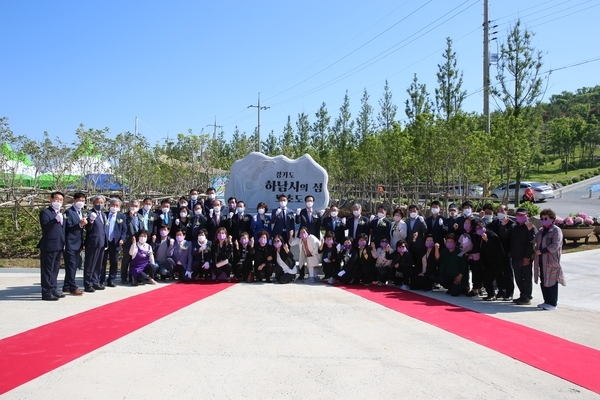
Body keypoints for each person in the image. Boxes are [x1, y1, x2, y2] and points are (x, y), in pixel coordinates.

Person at [500, 207, 537, 305]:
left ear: (527, 216)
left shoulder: (530, 227)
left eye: (522, 215)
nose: (519, 217)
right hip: (515, 256)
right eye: (518, 215)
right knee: (518, 278)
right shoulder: (514, 226)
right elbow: (505, 236)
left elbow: (532, 243)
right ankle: (522, 295)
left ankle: (527, 296)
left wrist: (527, 257)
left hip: (525, 257)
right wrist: (503, 226)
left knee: (526, 278)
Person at [533, 209, 566, 310]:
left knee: (551, 282)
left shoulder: (556, 230)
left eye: (546, 218)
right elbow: (534, 239)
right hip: (541, 261)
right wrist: (530, 230)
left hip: (551, 261)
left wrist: (542, 251)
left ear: (552, 219)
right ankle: (546, 301)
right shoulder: (541, 230)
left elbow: (555, 245)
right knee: (544, 281)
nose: (543, 220)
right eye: (542, 218)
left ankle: (552, 303)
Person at [38, 191, 67, 301]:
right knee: (47, 270)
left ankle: (53, 289)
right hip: (49, 245)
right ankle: (46, 292)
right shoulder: (46, 212)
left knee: (55, 269)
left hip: (59, 244)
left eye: (61, 200)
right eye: (56, 199)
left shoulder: (60, 213)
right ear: (51, 199)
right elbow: (45, 227)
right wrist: (55, 220)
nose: (58, 201)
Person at [488, 204, 514, 301]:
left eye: (502, 211)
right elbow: (487, 230)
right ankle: (501, 291)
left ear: (506, 212)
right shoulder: (494, 223)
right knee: (498, 273)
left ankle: (509, 292)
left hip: (507, 252)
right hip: (496, 252)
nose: (500, 212)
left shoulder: (511, 223)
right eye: (498, 211)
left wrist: (511, 250)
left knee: (508, 273)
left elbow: (513, 239)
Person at [62, 192, 86, 296]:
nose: (81, 202)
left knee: (74, 265)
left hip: (78, 243)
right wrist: (80, 224)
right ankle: (73, 287)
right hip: (70, 243)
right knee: (71, 266)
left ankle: (66, 286)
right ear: (74, 200)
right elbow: (67, 228)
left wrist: (81, 245)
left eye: (83, 200)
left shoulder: (82, 212)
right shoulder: (69, 212)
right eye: (79, 200)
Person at [476, 220, 506, 301]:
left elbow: (497, 248)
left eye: (480, 227)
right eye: (477, 228)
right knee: (487, 278)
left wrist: (487, 240)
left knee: (489, 278)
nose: (479, 229)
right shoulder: (480, 237)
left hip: (495, 261)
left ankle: (492, 295)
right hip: (487, 261)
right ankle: (493, 293)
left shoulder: (492, 235)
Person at [83, 195, 108, 292]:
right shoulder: (89, 213)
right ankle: (87, 283)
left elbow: (104, 229)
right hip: (93, 242)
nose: (100, 204)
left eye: (102, 203)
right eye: (98, 203)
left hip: (102, 242)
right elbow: (88, 228)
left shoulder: (103, 215)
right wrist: (91, 220)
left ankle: (95, 282)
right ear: (93, 203)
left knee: (98, 264)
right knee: (90, 264)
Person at [102, 198, 127, 287]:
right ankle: (101, 279)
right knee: (102, 261)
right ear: (109, 206)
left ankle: (111, 279)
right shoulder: (104, 215)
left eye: (117, 206)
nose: (114, 207)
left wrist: (122, 239)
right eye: (113, 205)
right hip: (104, 241)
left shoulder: (122, 216)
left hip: (115, 242)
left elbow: (124, 230)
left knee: (114, 262)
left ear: (119, 207)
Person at [121, 199, 142, 284]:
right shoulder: (124, 216)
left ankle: (131, 277)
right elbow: (123, 228)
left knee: (135, 261)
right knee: (126, 260)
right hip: (128, 241)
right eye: (132, 206)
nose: (134, 208)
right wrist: (130, 216)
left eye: (136, 206)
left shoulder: (140, 216)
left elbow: (141, 228)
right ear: (129, 206)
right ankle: (123, 277)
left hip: (138, 242)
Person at [405, 204, 427, 274]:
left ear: (418, 211)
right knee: (409, 261)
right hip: (409, 244)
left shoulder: (420, 219)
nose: (412, 212)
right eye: (411, 211)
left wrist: (423, 222)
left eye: (414, 211)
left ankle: (417, 276)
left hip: (418, 244)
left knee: (418, 262)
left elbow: (425, 231)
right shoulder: (407, 221)